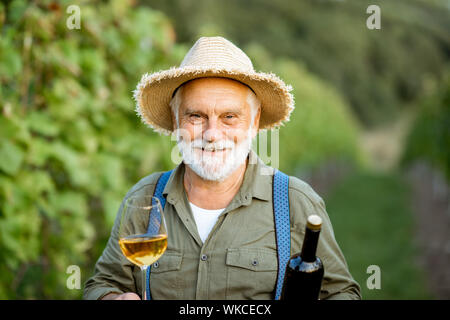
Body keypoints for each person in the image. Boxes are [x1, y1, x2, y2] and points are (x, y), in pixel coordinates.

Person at [83, 36, 361, 300]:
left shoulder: (297, 203)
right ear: (176, 120)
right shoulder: (145, 200)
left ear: (254, 122)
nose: (212, 133)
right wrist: (115, 296)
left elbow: (340, 292)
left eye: (229, 117)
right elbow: (103, 283)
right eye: (196, 116)